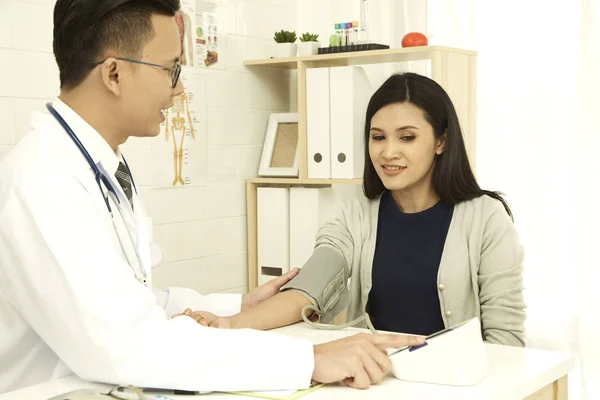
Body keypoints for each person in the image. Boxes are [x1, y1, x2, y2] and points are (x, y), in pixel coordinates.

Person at [0, 0, 424, 394]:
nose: (178, 90)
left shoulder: (97, 166)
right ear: (114, 74)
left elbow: (128, 302)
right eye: (171, 70)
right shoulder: (45, 181)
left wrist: (235, 303)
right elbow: (123, 345)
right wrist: (308, 359)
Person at [187, 72, 527, 347]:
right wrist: (228, 324)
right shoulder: (355, 217)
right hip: (377, 381)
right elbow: (309, 289)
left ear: (441, 141)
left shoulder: (487, 219)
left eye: (407, 137)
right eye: (378, 137)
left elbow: (505, 340)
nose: (388, 152)